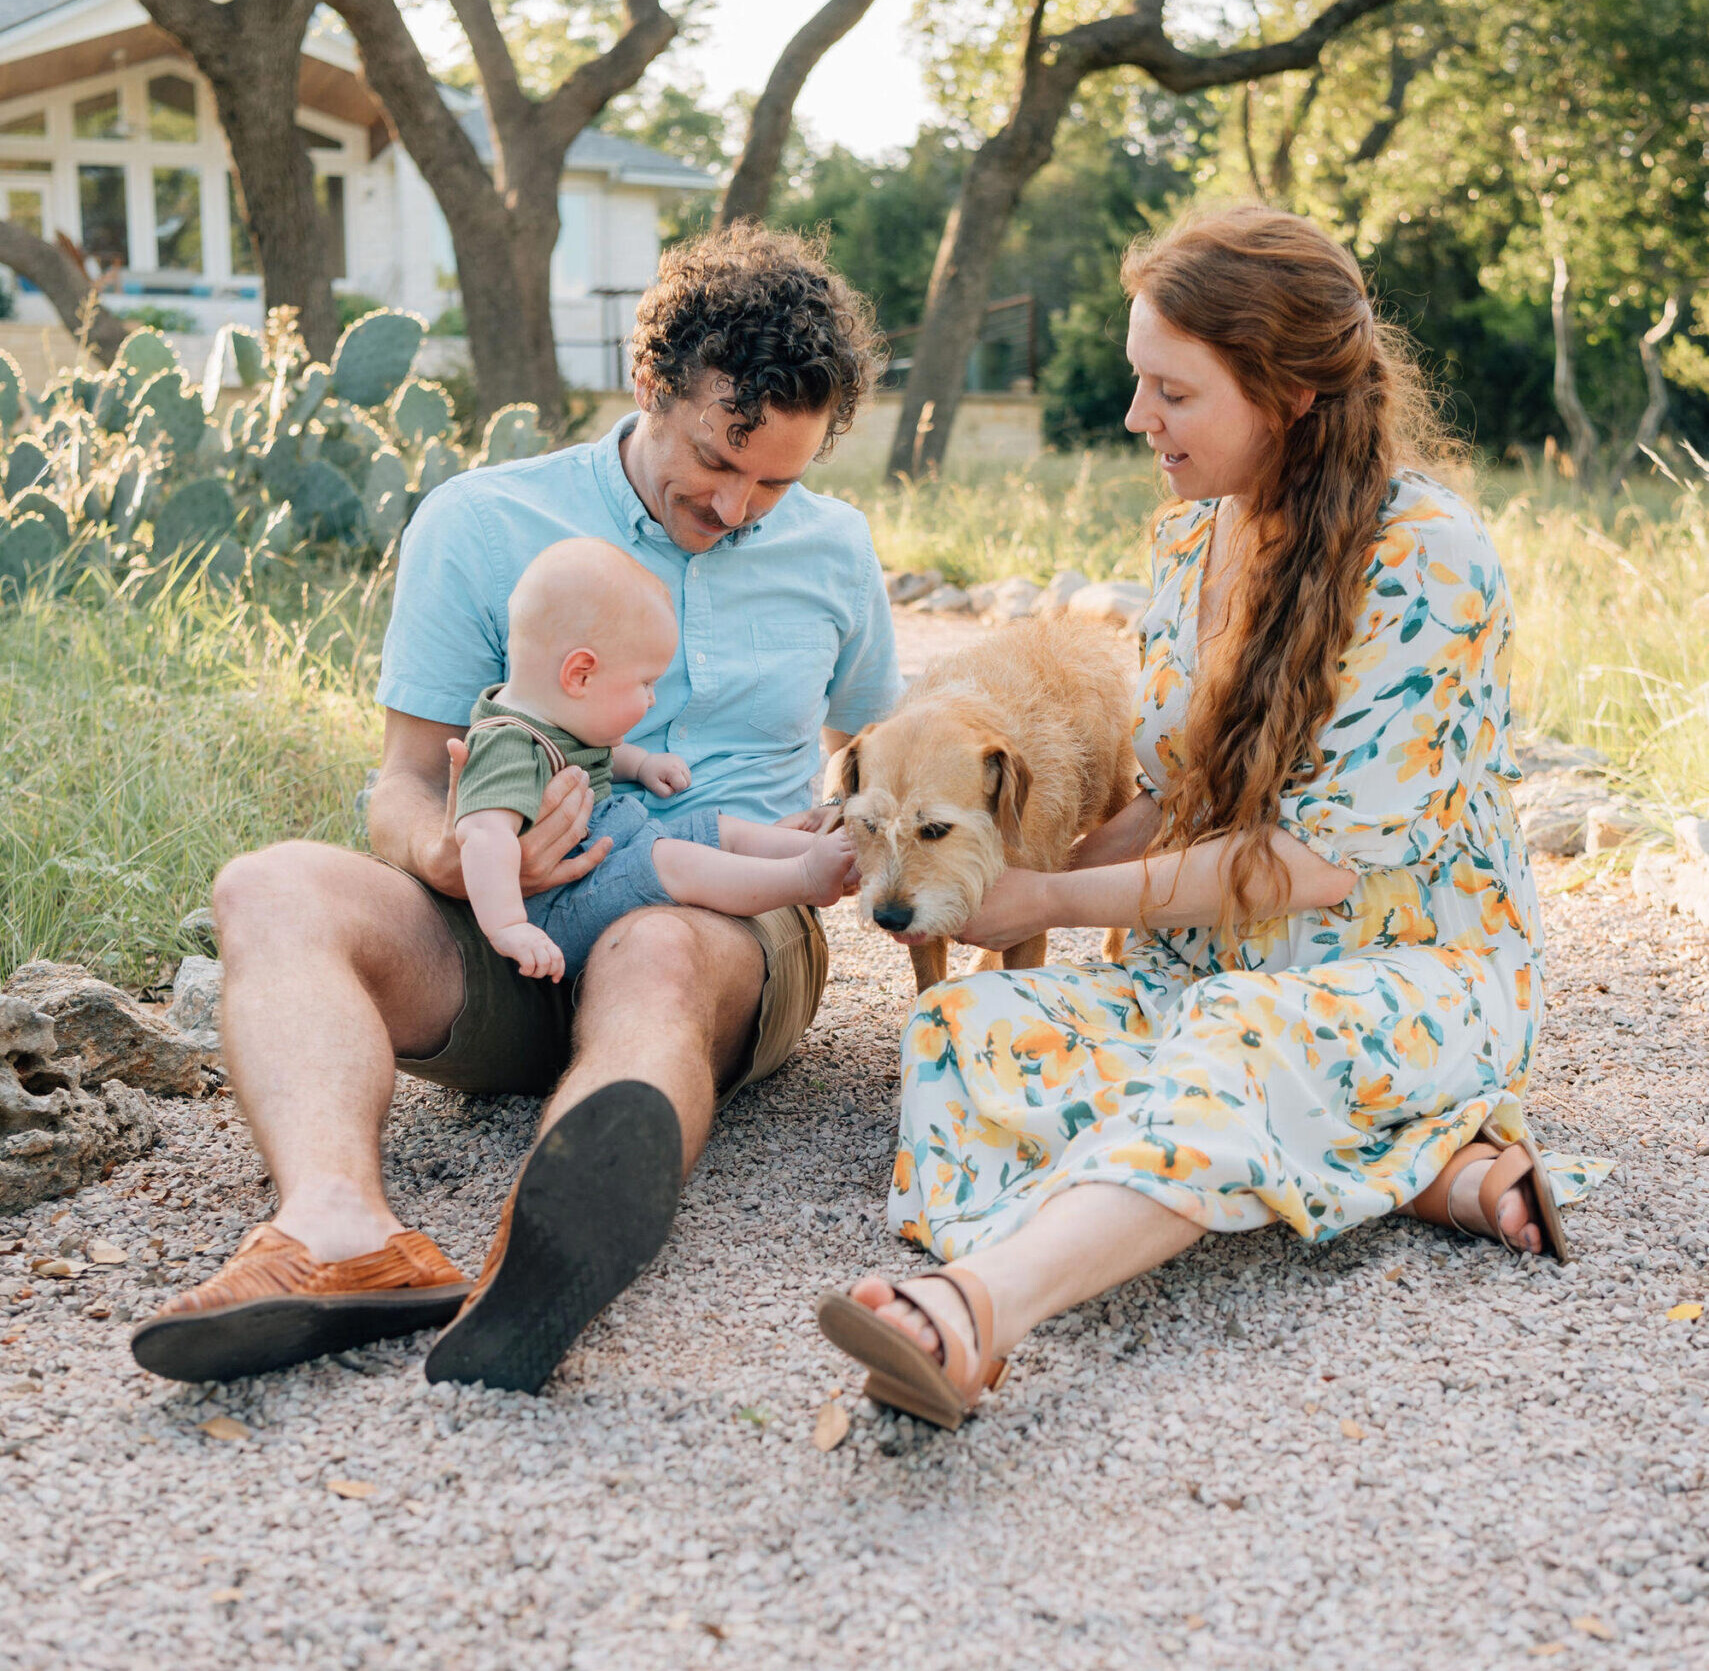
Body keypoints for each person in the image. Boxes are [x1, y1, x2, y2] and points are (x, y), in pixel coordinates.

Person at [815, 203, 1611, 1432]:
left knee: (1237, 1042)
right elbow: (1176, 796)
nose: (1137, 419)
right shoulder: (1194, 537)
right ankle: (1405, 1164)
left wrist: (1055, 899)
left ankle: (976, 1309)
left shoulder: (1427, 559)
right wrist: (987, 856)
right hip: (1204, 965)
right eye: (1140, 384)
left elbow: (1307, 864)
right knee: (962, 1030)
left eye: (1170, 392)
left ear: (1286, 391)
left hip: (1402, 970)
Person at [131, 223, 902, 1393]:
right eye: (717, 457)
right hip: (505, 928)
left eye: (777, 480)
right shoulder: (482, 522)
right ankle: (339, 1231)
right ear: (649, 384)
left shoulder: (836, 551)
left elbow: (886, 754)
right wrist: (453, 860)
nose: (739, 504)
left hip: (717, 914)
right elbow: (401, 782)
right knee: (269, 882)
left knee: (652, 947)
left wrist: (851, 836)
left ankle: (541, 1261)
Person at [454, 538, 855, 986]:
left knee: (714, 830)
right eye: (645, 683)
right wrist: (509, 925)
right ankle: (804, 877)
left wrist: (641, 764)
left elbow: (591, 753)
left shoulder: (550, 715)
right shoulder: (506, 746)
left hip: (608, 853)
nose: (651, 699)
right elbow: (483, 834)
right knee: (672, 862)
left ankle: (842, 858)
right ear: (580, 674)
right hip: (559, 909)